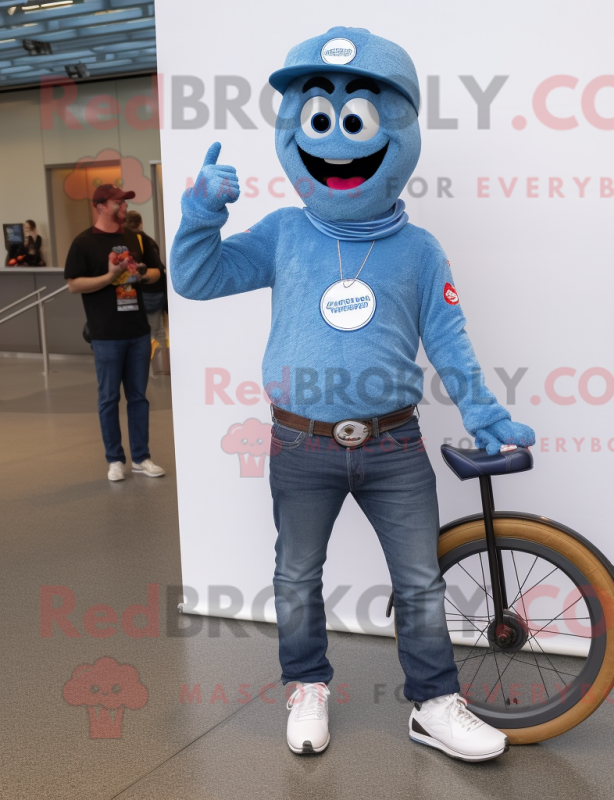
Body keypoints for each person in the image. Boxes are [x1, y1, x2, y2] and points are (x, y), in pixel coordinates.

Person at [170, 28, 535, 761]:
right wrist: (202, 215)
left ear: (399, 129)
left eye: (359, 118)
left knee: (420, 585)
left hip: (395, 444)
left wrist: (485, 414)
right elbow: (197, 279)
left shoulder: (421, 249)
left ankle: (434, 703)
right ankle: (306, 687)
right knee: (297, 576)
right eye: (317, 117)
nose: (336, 140)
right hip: (299, 441)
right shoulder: (282, 233)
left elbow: (450, 344)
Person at [64, 185, 166, 482]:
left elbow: (158, 272)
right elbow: (73, 285)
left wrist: (142, 275)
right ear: (100, 205)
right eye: (118, 202)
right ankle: (114, 460)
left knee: (138, 397)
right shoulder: (83, 243)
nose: (124, 206)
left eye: (125, 202)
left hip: (137, 331)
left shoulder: (136, 238)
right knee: (108, 398)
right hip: (105, 333)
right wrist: (109, 276)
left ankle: (141, 457)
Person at [124, 211, 168, 360]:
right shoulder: (148, 241)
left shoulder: (131, 243)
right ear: (140, 223)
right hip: (157, 290)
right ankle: (162, 358)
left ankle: (152, 359)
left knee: (148, 330)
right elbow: (159, 267)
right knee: (157, 327)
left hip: (145, 291)